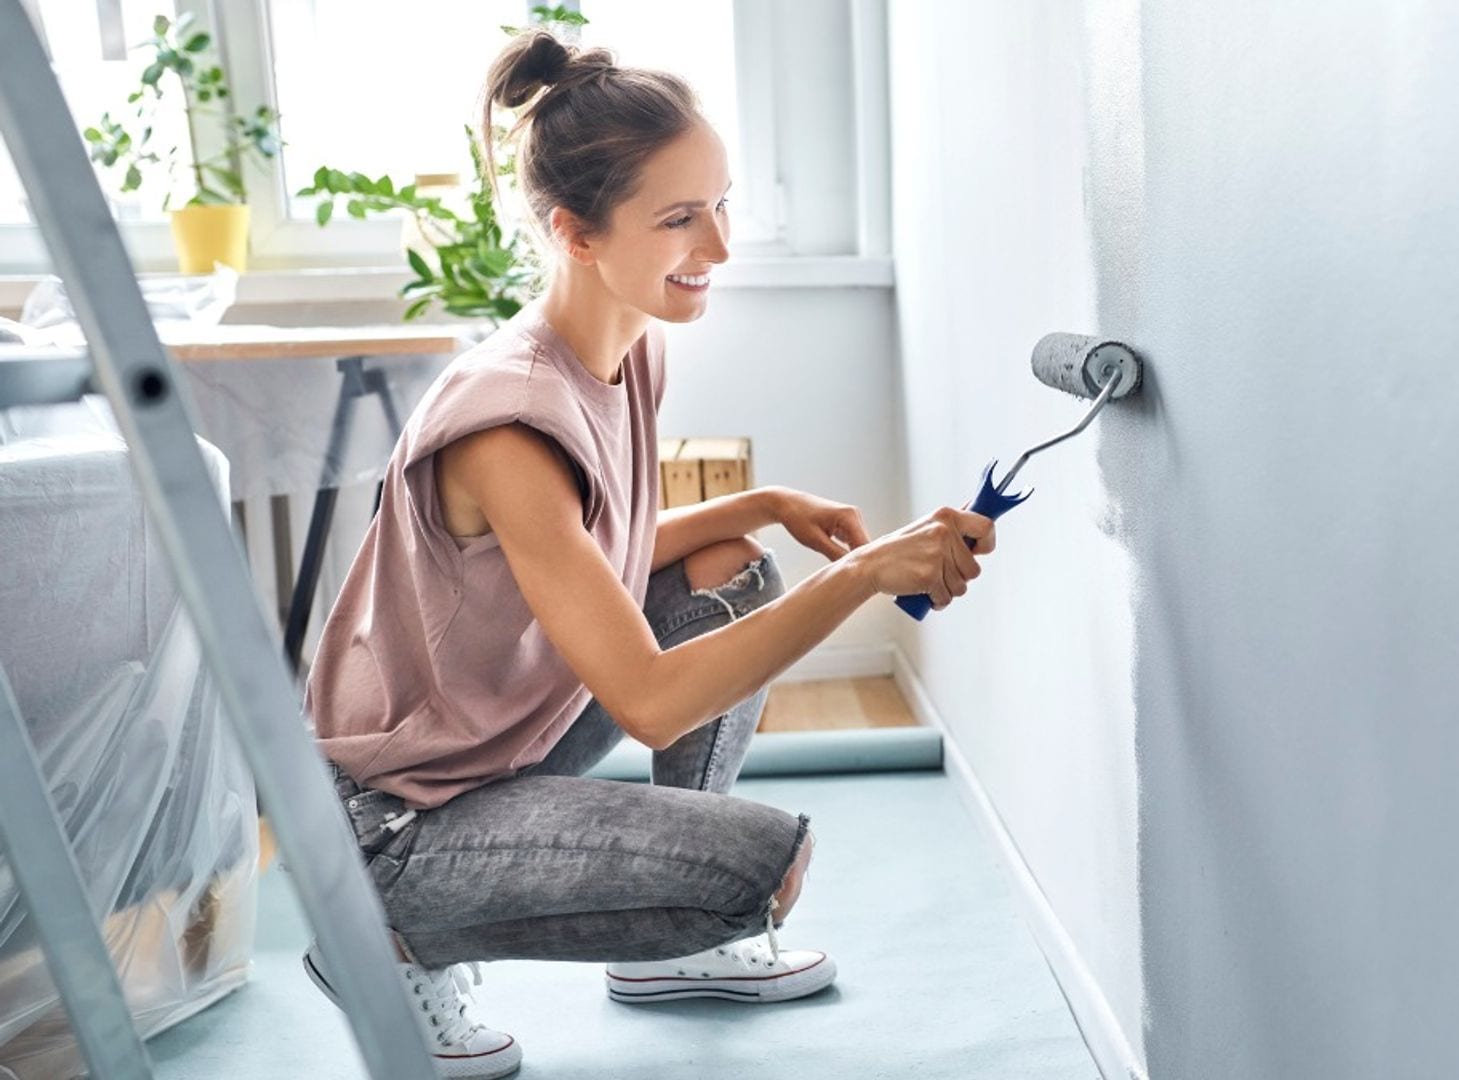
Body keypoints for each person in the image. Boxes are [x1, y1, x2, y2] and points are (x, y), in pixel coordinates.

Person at [298, 29, 995, 1078]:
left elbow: (598, 566)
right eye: (678, 219)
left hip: (493, 738)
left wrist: (756, 503)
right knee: (758, 869)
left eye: (720, 203)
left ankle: (676, 962)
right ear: (575, 234)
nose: (717, 244)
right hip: (397, 822)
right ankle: (388, 941)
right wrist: (861, 575)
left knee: (731, 565)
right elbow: (652, 702)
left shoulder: (629, 346)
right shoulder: (509, 427)